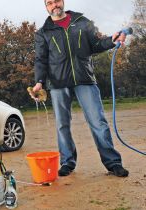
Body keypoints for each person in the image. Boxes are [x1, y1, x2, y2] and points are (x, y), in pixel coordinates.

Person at [30, 0, 129, 177]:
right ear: (46, 6)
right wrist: (39, 82)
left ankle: (113, 162)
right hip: (58, 82)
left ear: (63, 1)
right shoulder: (43, 32)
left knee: (98, 122)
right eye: (50, 3)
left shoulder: (82, 21)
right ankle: (67, 162)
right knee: (62, 125)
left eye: (57, 1)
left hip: (85, 78)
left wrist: (111, 41)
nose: (54, 5)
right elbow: (41, 59)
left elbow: (96, 44)